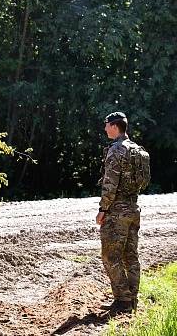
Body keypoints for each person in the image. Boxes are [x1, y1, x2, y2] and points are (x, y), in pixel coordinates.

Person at [96, 111, 144, 315]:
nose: (105, 128)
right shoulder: (138, 150)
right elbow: (143, 181)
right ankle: (132, 301)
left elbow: (110, 184)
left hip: (116, 211)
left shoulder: (116, 150)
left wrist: (103, 209)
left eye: (106, 124)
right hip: (133, 208)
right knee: (130, 256)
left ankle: (123, 301)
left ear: (115, 126)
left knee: (110, 256)